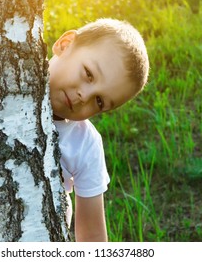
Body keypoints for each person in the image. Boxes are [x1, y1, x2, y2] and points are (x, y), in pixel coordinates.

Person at [48, 18, 149, 241]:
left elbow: (92, 236)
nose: (85, 96)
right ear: (66, 45)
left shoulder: (85, 144)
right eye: (89, 74)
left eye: (100, 102)